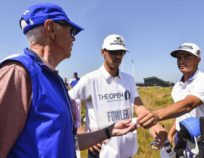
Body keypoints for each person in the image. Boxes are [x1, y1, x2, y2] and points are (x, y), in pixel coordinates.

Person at [0, 3, 138, 158]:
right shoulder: (18, 72)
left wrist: (109, 131)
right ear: (51, 28)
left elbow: (67, 141)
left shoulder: (53, 79)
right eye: (71, 31)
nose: (74, 38)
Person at [69, 34, 167, 158]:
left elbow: (139, 107)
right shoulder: (90, 79)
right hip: (101, 152)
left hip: (127, 151)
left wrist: (154, 123)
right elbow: (67, 102)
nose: (118, 56)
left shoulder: (129, 79)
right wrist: (81, 131)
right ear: (103, 52)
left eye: (121, 52)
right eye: (113, 52)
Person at [153, 42, 204, 157]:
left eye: (187, 57)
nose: (181, 61)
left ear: (198, 59)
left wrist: (155, 115)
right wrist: (171, 134)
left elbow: (188, 105)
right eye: (179, 58)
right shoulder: (177, 86)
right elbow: (180, 115)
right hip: (182, 140)